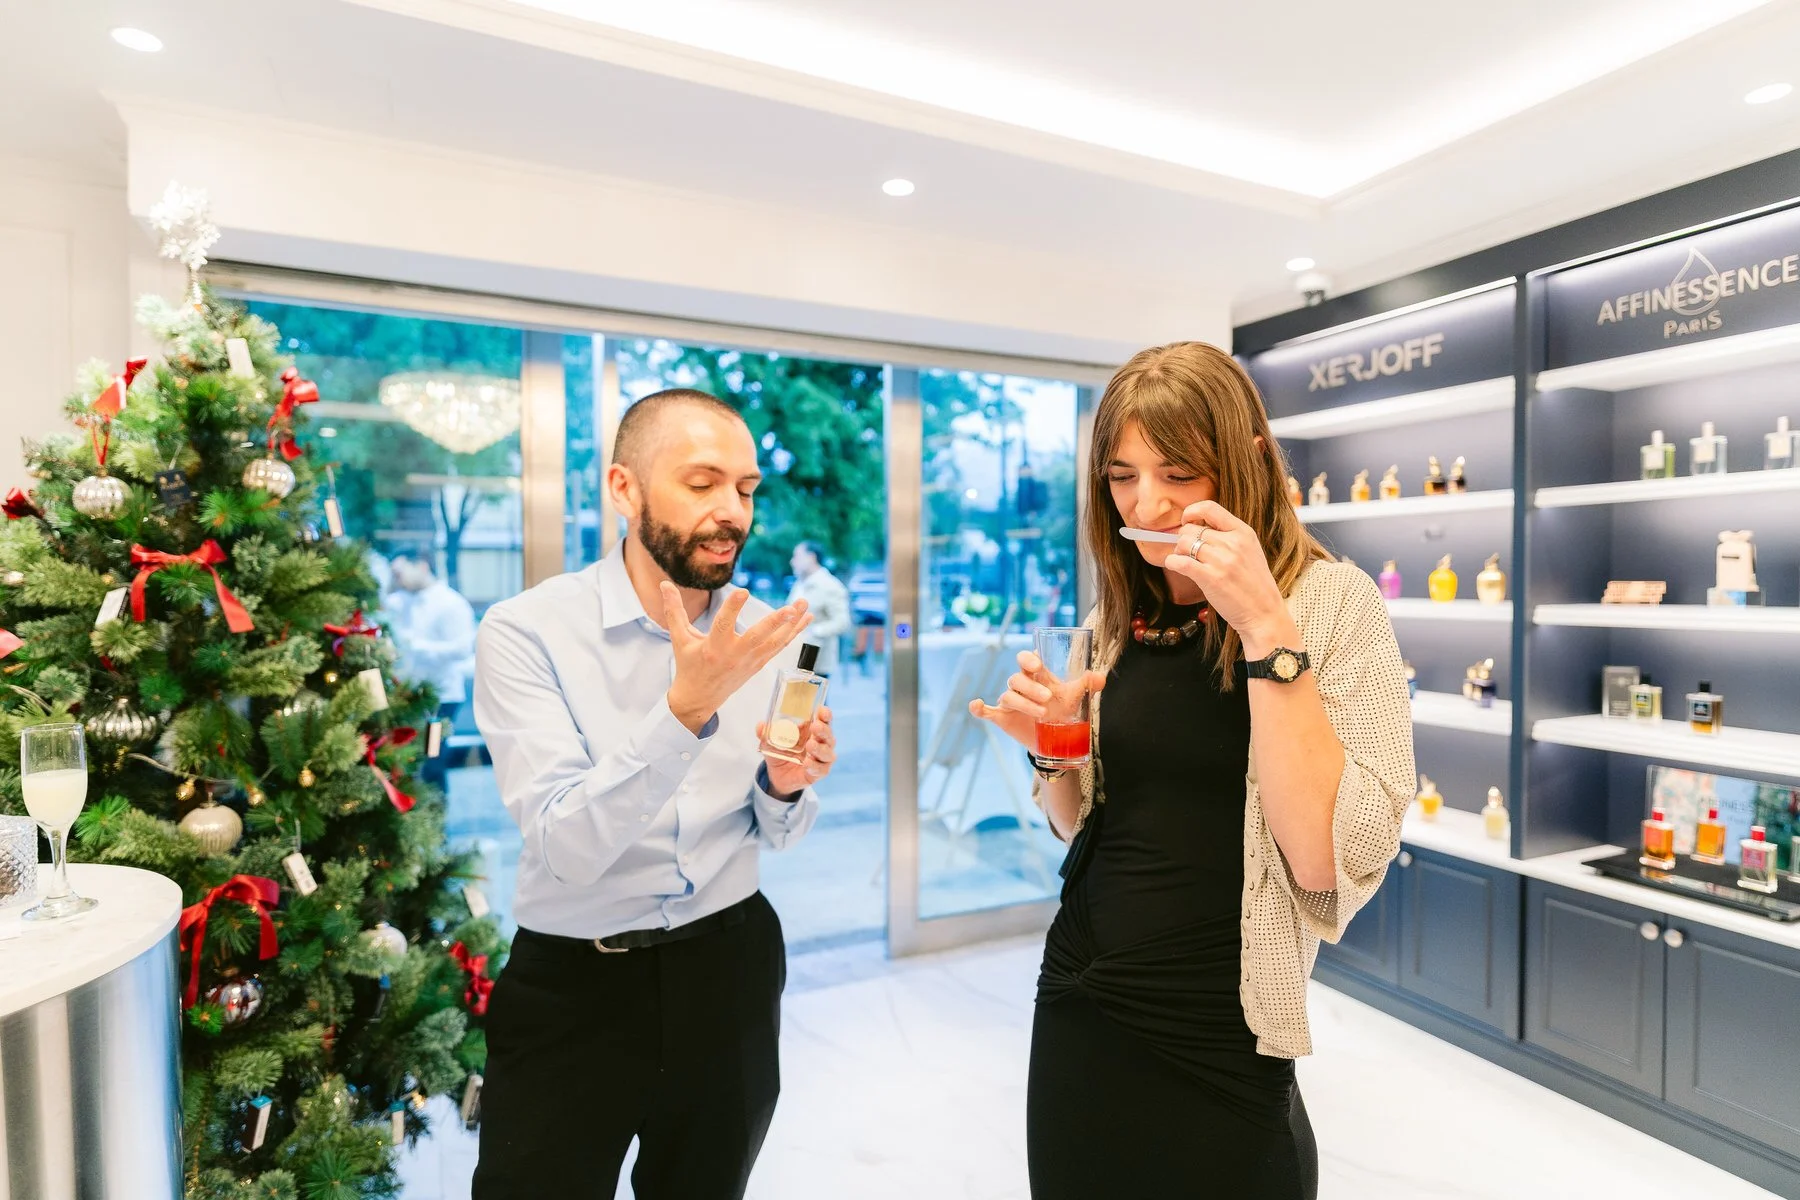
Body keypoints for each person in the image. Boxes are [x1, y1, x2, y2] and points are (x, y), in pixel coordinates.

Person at [971, 343, 1414, 1200]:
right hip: (1081, 994)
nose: (1150, 504)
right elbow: (1080, 823)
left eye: (1179, 472)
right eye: (1123, 476)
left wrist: (1267, 633)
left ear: (1247, 462)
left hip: (1221, 1023)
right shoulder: (1121, 612)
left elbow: (1325, 861)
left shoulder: (1332, 602)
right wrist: (1057, 739)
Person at [470, 388, 838, 1200]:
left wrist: (784, 784)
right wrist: (687, 708)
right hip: (575, 986)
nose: (732, 512)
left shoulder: (768, 636)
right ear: (623, 488)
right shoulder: (526, 632)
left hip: (730, 965)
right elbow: (566, 846)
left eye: (746, 490)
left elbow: (776, 830)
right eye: (702, 483)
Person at [386, 552, 477, 790]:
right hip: (407, 697)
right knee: (406, 762)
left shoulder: (450, 603)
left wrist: (417, 646)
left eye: (400, 572)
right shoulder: (399, 602)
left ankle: (435, 821)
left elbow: (462, 649)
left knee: (432, 760)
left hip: (440, 699)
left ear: (422, 566)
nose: (398, 579)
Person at [786, 541, 851, 678]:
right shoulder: (800, 584)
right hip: (794, 658)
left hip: (815, 660)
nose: (792, 562)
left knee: (812, 698)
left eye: (796, 557)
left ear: (811, 557)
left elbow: (842, 622)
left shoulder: (830, 586)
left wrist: (813, 632)